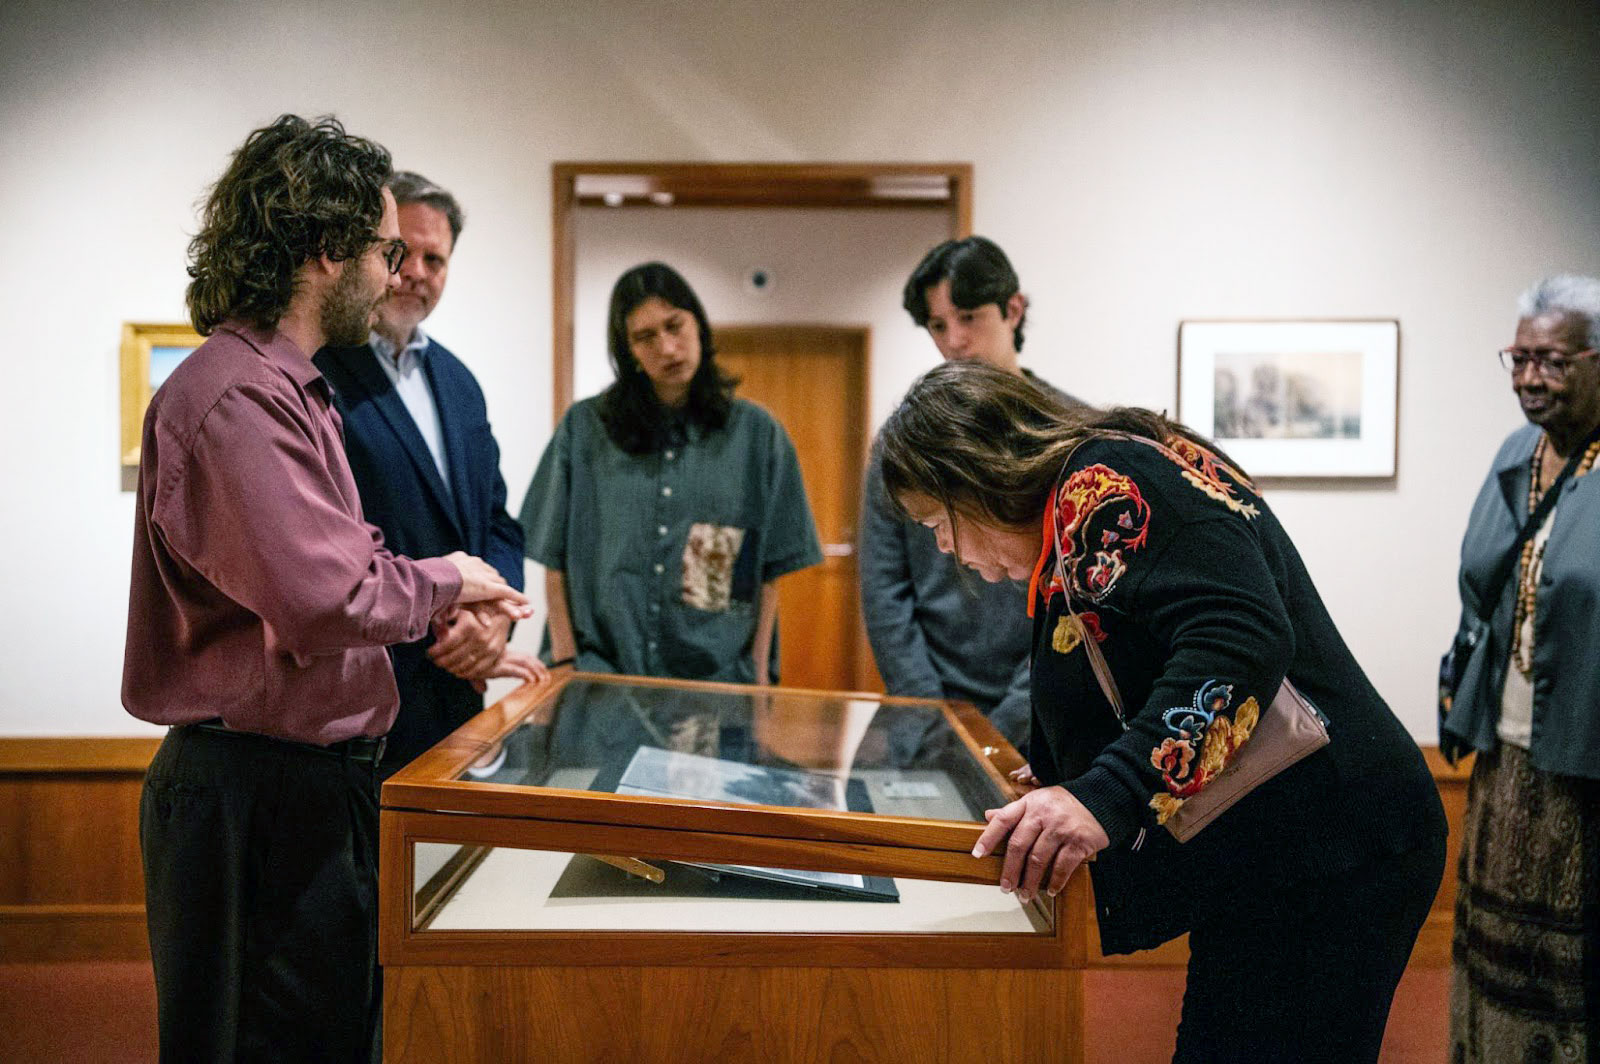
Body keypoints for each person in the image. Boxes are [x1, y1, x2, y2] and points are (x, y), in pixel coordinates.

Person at [876, 360, 1446, 1063]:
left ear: (975, 475)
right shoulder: (1090, 492)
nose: (946, 550)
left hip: (1329, 843)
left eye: (939, 521)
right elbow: (1147, 649)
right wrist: (1068, 769)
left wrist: (1104, 795)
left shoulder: (1103, 482)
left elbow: (1240, 640)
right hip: (1288, 844)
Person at [123, 115, 534, 1063]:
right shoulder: (237, 396)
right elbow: (325, 594)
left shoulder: (289, 388)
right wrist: (454, 578)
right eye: (387, 249)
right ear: (324, 246)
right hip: (253, 794)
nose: (397, 274)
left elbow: (348, 563)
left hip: (309, 788)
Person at [315, 171, 542, 776]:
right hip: (359, 709)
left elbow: (497, 523)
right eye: (401, 252)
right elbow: (328, 546)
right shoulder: (318, 373)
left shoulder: (460, 382)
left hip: (457, 698)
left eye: (435, 258)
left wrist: (492, 618)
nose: (416, 271)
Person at [519, 262, 822, 683]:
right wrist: (567, 661)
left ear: (699, 325)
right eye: (645, 337)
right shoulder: (585, 430)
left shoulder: (757, 437)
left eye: (674, 326)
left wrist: (755, 673)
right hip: (602, 679)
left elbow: (771, 571)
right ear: (629, 354)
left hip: (715, 685)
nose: (666, 347)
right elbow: (553, 557)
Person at [1442, 274, 1600, 1062]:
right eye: (1519, 358)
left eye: (1553, 361)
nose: (1531, 377)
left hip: (1587, 765)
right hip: (1507, 753)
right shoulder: (1517, 454)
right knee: (1495, 951)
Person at [860, 236, 1089, 755]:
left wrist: (1010, 721)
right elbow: (882, 588)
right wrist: (927, 712)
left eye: (968, 317)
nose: (954, 340)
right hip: (925, 713)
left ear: (1014, 309)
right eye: (938, 326)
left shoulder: (1069, 432)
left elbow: (1084, 597)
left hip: (1045, 710)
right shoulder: (902, 442)